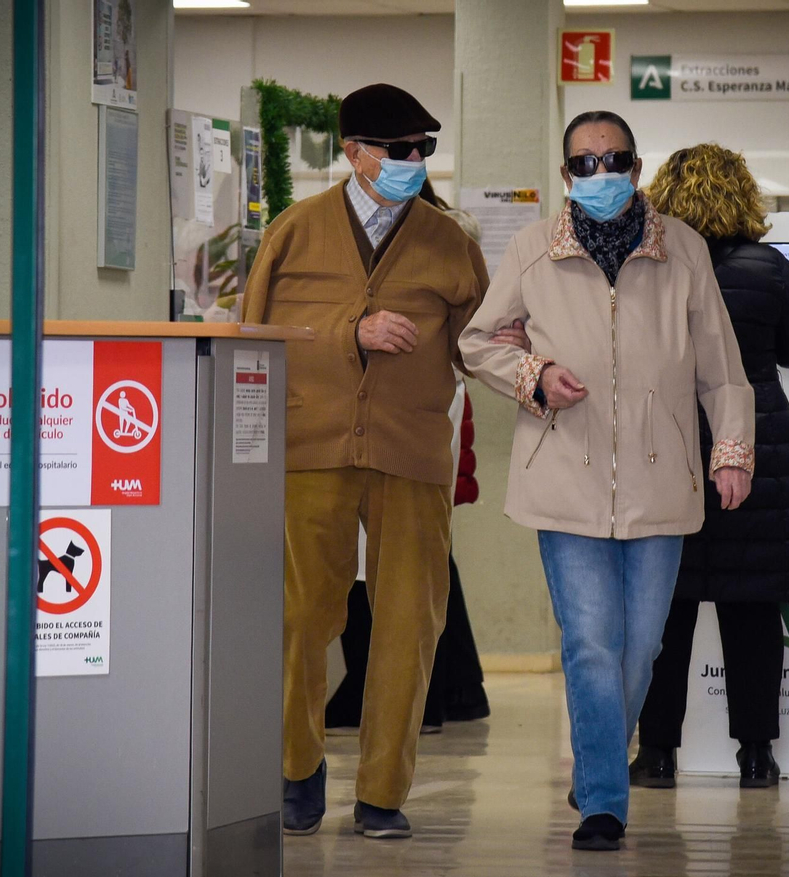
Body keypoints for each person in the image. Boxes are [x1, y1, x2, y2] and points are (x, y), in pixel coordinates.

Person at [460, 110, 755, 852]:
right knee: (591, 641)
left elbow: (723, 371)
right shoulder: (533, 249)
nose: (601, 173)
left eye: (614, 158)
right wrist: (533, 374)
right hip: (564, 475)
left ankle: (597, 760)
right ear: (567, 176)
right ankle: (602, 798)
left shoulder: (682, 249)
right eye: (585, 163)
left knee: (643, 647)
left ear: (635, 165)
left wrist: (732, 451)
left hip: (662, 484)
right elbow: (477, 342)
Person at [240, 82, 489, 840]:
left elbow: (484, 341)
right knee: (300, 615)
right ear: (352, 152)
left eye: (425, 150)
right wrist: (351, 327)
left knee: (412, 620)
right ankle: (296, 766)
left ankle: (383, 789)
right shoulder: (295, 232)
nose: (416, 162)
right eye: (400, 150)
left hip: (412, 454)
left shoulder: (451, 243)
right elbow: (256, 335)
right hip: (309, 449)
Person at [625, 143, 789, 791]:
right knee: (752, 611)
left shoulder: (649, 265)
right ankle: (756, 755)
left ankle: (656, 755)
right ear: (743, 193)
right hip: (753, 446)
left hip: (669, 444)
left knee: (666, 609)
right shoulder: (769, 268)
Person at [325, 374, 491, 735]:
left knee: (399, 563)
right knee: (422, 562)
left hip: (404, 416)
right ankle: (449, 692)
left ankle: (419, 698)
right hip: (411, 410)